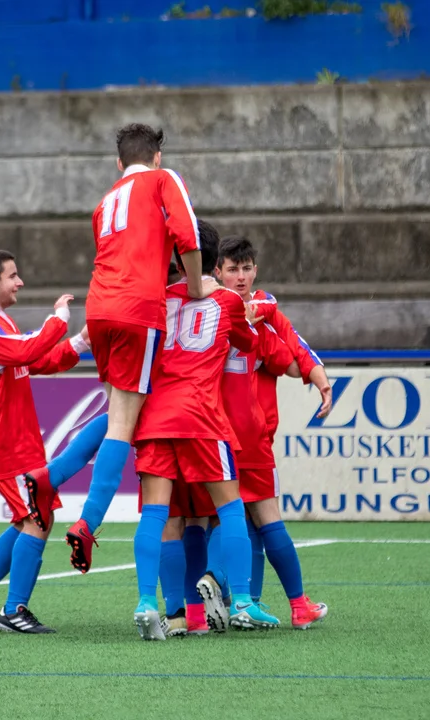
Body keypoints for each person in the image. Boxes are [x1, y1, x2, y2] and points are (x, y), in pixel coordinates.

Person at [67, 123, 217, 574]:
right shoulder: (163, 179)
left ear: (119, 162)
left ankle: (51, 477)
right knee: (123, 423)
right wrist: (196, 287)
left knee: (118, 412)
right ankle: (88, 522)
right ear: (156, 157)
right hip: (137, 309)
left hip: (98, 309)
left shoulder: (105, 202)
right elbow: (187, 234)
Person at [129, 221, 279, 640]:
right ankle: (243, 602)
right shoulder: (228, 301)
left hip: (155, 417)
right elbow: (250, 343)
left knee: (157, 514)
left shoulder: (157, 299)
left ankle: (148, 603)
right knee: (230, 509)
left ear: (178, 260)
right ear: (216, 263)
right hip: (202, 416)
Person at [0, 249, 107, 634]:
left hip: (16, 435)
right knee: (38, 516)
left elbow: (35, 361)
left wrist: (80, 342)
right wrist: (59, 319)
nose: (19, 282)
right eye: (12, 276)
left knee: (32, 516)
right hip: (4, 438)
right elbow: (26, 350)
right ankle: (14, 610)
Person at [216, 235, 331, 629]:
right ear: (217, 272)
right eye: (233, 269)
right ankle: (297, 604)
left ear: (256, 270)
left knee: (228, 522)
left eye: (246, 268)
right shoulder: (260, 322)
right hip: (249, 436)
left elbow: (296, 348)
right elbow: (292, 360)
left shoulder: (207, 310)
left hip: (211, 432)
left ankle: (231, 604)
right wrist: (265, 315)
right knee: (266, 520)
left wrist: (318, 376)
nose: (241, 276)